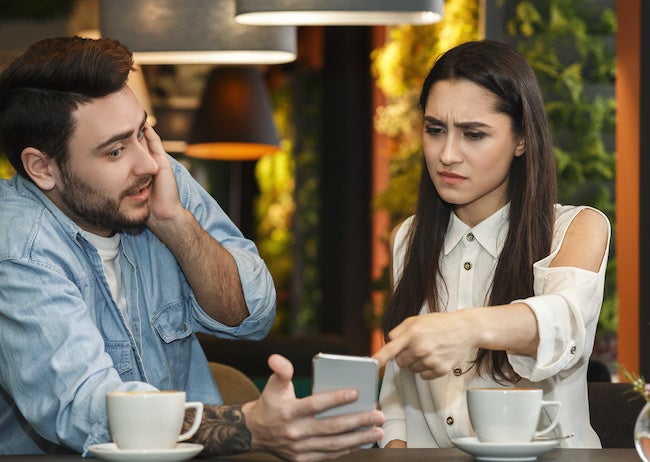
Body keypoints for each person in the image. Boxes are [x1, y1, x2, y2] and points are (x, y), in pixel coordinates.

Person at [0, 36, 384, 459]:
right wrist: (248, 428)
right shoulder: (17, 247)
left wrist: (175, 223)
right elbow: (88, 408)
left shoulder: (154, 180)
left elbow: (250, 315)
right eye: (114, 151)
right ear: (41, 168)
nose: (146, 163)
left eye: (142, 133)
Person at [372, 39, 610, 449]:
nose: (447, 154)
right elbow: (399, 398)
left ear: (520, 139)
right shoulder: (408, 238)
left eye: (474, 134)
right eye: (435, 130)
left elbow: (563, 321)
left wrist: (466, 326)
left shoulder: (576, 228)